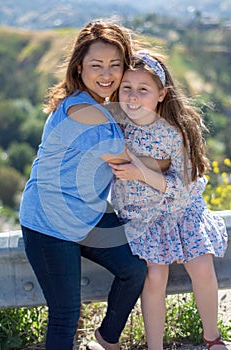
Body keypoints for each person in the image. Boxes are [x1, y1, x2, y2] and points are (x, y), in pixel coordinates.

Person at [19, 19, 151, 350]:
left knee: (134, 269)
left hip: (87, 213)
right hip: (49, 222)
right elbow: (128, 161)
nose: (106, 74)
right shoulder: (81, 109)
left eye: (115, 65)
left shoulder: (105, 106)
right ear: (80, 68)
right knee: (65, 314)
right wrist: (168, 162)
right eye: (96, 65)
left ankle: (106, 338)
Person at [109, 50, 228, 350]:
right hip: (141, 216)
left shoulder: (176, 132)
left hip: (181, 209)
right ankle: (155, 346)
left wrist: (141, 172)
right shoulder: (117, 128)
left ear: (161, 94)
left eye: (143, 90)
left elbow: (183, 188)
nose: (133, 97)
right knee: (155, 274)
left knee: (201, 263)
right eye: (127, 88)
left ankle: (211, 335)